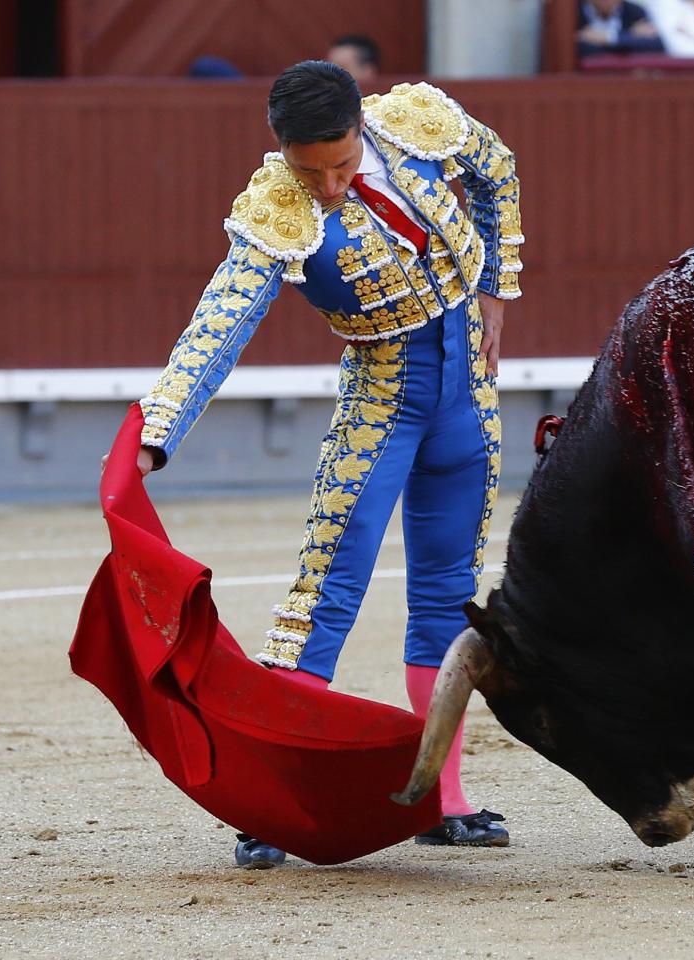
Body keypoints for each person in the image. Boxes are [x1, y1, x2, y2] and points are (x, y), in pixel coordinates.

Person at [133, 62, 521, 867]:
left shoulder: (414, 122)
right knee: (323, 597)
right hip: (380, 402)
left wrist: (495, 288)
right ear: (284, 155)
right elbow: (222, 320)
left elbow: (497, 169)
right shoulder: (278, 206)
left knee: (449, 599)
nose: (331, 186)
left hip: (467, 401)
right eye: (312, 172)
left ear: (361, 129)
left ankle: (441, 799)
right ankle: (276, 806)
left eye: (341, 166)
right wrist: (157, 426)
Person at [579, 0, 667, 53]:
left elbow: (655, 45)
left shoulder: (635, 11)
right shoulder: (572, 12)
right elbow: (578, 49)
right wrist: (630, 38)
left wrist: (609, 38)